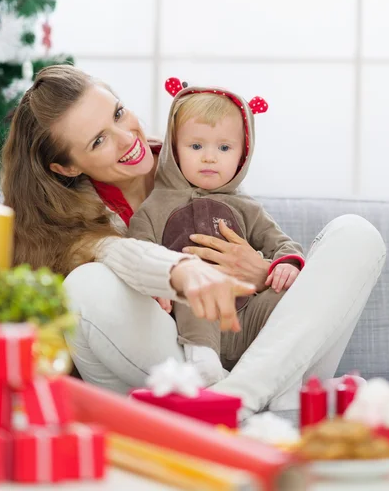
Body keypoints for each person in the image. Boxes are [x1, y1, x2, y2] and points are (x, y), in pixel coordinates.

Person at [1, 64, 386, 419]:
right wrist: (182, 273)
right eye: (99, 140)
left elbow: (265, 247)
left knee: (356, 235)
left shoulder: (193, 157)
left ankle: (238, 403)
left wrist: (265, 271)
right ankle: (265, 406)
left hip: (262, 353)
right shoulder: (64, 225)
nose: (126, 139)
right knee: (86, 284)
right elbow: (121, 253)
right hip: (177, 372)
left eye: (118, 114)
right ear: (67, 166)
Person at [129, 79, 305, 386]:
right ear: (174, 149)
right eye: (196, 146)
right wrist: (155, 282)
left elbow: (282, 244)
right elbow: (140, 249)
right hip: (192, 319)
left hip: (248, 314)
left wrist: (286, 265)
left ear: (242, 154)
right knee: (196, 288)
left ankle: (274, 371)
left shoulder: (247, 208)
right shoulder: (155, 207)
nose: (210, 157)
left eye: (224, 148)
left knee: (285, 300)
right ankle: (204, 362)